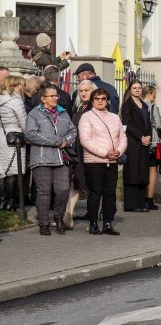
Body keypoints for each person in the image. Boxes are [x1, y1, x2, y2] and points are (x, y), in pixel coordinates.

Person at [25, 83, 76, 236]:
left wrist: (66, 141)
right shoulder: (34, 114)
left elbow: (73, 130)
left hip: (61, 157)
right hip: (41, 158)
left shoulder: (63, 113)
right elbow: (31, 134)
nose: (56, 98)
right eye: (52, 96)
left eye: (56, 95)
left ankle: (59, 217)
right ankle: (44, 223)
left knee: (63, 189)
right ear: (43, 98)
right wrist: (56, 141)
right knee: (44, 192)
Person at [78, 87, 127, 235]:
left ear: (107, 100)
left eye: (103, 98)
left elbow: (122, 137)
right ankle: (93, 223)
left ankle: (107, 222)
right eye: (97, 98)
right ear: (92, 100)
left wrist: (119, 151)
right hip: (95, 161)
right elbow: (85, 140)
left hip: (112, 160)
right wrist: (105, 153)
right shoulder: (87, 117)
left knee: (110, 193)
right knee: (95, 193)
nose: (100, 101)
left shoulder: (115, 117)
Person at [64, 79, 95, 229]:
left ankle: (92, 219)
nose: (83, 93)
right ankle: (68, 215)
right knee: (74, 183)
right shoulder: (79, 109)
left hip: (89, 152)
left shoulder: (95, 109)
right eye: (81, 91)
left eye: (86, 90)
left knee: (91, 186)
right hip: (76, 152)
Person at [119, 80, 152, 211]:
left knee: (143, 171)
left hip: (144, 142)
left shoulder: (144, 105)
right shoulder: (127, 105)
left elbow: (148, 123)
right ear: (130, 89)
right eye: (134, 88)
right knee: (132, 170)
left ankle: (141, 202)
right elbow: (127, 123)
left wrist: (148, 136)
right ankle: (130, 204)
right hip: (133, 142)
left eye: (139, 88)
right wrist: (140, 136)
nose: (137, 90)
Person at [0, 75, 28, 211]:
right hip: (14, 137)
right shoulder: (16, 101)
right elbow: (24, 123)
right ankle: (10, 202)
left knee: (2, 171)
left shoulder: (1, 98)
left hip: (1, 135)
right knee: (13, 171)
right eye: (21, 85)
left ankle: (2, 201)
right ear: (15, 86)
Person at [141, 85, 161, 210]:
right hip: (154, 143)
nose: (155, 96)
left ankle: (140, 197)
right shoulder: (154, 107)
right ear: (149, 94)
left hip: (141, 142)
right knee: (153, 170)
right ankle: (149, 199)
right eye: (154, 94)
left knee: (142, 169)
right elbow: (158, 124)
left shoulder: (138, 105)